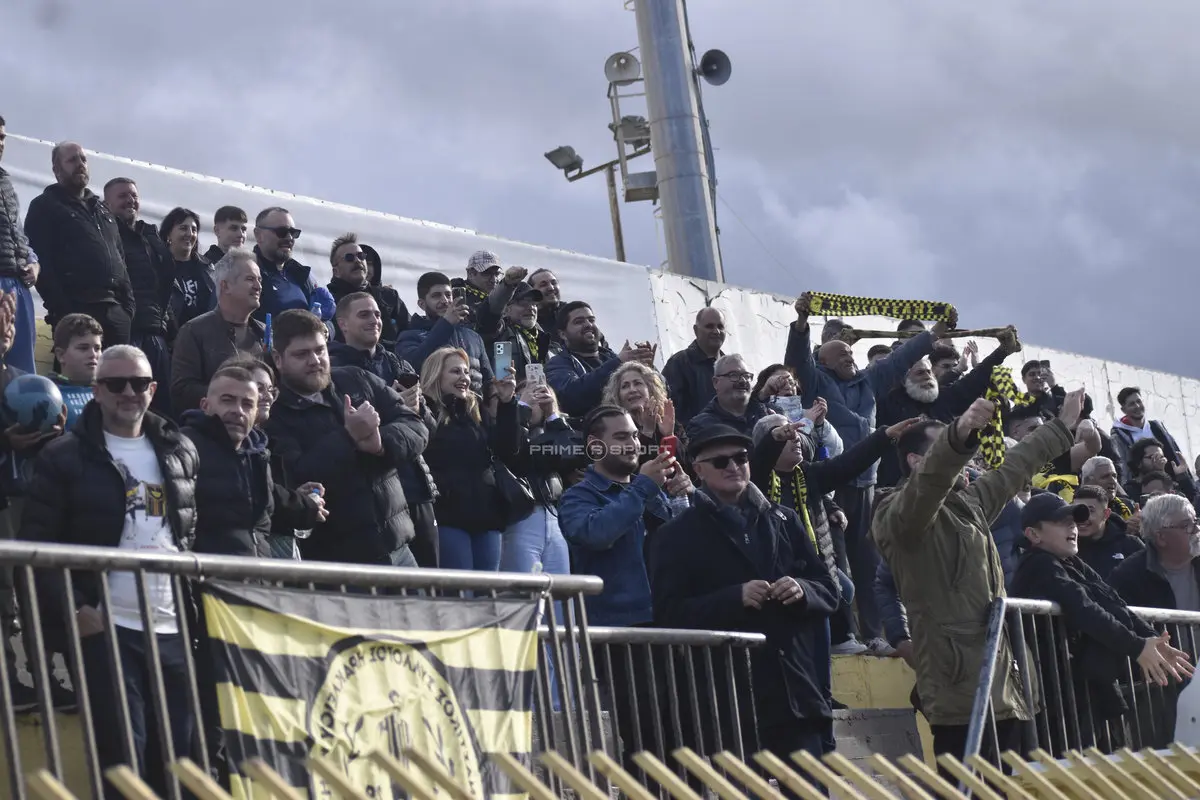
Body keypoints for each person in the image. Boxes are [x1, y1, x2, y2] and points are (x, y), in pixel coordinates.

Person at [22, 344, 199, 795]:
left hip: (171, 625)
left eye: (138, 383)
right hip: (108, 626)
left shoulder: (179, 449)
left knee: (179, 761)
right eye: (116, 383)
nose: (128, 392)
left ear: (153, 389)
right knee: (123, 760)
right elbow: (36, 548)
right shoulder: (63, 456)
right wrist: (76, 610)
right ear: (97, 391)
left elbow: (186, 532)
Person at [872, 389, 1083, 760]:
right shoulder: (897, 515)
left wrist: (1061, 426)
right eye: (945, 447)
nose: (964, 454)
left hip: (1001, 683)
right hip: (957, 689)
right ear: (916, 461)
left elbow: (1014, 467)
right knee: (967, 785)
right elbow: (929, 485)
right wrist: (958, 434)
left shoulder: (967, 503)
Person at [650, 424, 840, 762]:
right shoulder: (674, 535)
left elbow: (828, 589)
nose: (734, 467)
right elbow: (669, 614)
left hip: (793, 693)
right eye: (721, 461)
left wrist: (802, 589)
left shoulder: (784, 519)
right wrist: (732, 598)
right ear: (698, 470)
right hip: (727, 702)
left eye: (740, 458)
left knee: (810, 784)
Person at [785, 294, 944, 653]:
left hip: (867, 485)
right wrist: (801, 323)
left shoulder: (868, 382)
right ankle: (847, 636)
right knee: (838, 563)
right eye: (841, 354)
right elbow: (796, 358)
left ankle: (875, 633)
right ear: (823, 361)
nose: (849, 357)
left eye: (851, 354)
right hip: (834, 487)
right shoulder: (814, 381)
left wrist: (933, 334)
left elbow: (901, 358)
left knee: (869, 564)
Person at [1010, 492, 1192, 753]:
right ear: (1033, 534)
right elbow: (1085, 608)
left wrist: (1151, 638)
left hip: (1078, 691)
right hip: (1053, 697)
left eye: (1073, 520)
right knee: (1068, 765)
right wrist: (1137, 646)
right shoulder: (1038, 565)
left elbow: (1111, 601)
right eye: (1061, 522)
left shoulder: (1071, 561)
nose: (1072, 526)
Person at [751, 413, 921, 662]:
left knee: (843, 589)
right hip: (776, 578)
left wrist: (884, 436)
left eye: (795, 432)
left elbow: (847, 464)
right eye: (785, 433)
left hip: (813, 574)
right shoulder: (755, 481)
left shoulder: (808, 475)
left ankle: (840, 641)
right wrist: (773, 440)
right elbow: (758, 462)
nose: (794, 437)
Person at [264, 310, 429, 567]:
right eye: (302, 354)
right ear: (278, 359)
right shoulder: (272, 413)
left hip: (398, 547)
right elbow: (296, 476)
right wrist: (348, 437)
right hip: (338, 561)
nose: (315, 360)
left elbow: (415, 426)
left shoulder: (356, 378)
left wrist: (380, 444)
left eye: (320, 350)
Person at [559, 406, 688, 627]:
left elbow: (683, 544)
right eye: (621, 437)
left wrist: (685, 496)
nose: (632, 444)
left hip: (665, 619)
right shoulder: (577, 497)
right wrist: (642, 488)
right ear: (595, 445)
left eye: (635, 436)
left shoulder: (651, 489)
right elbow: (596, 534)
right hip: (614, 628)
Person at [181, 365, 325, 557]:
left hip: (257, 572)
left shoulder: (257, 456)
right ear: (205, 405)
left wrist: (308, 506)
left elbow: (274, 506)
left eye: (247, 404)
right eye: (227, 400)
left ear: (256, 412)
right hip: (205, 573)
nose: (238, 411)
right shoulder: (183, 450)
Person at [419, 346, 522, 571]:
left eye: (466, 372)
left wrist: (507, 402)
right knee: (460, 590)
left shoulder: (476, 410)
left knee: (488, 589)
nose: (464, 378)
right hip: (448, 517)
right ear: (436, 375)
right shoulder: (425, 409)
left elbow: (507, 451)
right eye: (455, 371)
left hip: (486, 517)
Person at [25, 141, 135, 345]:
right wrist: (64, 311)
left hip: (116, 315)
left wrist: (127, 309)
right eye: (72, 160)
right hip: (76, 312)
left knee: (117, 366)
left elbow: (120, 259)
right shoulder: (45, 206)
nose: (80, 164)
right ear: (57, 170)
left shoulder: (103, 211)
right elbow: (41, 262)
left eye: (83, 159)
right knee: (78, 366)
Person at [104, 181, 174, 415]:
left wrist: (167, 324)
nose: (130, 200)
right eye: (122, 196)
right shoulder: (105, 234)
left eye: (134, 195)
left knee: (161, 409)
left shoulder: (151, 237)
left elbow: (164, 284)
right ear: (107, 203)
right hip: (126, 333)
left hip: (156, 333)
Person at [170, 248, 266, 413]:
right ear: (225, 286)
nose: (258, 286)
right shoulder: (194, 332)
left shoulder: (265, 333)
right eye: (250, 279)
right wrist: (232, 395)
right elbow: (181, 390)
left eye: (259, 280)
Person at [546, 302, 653, 420]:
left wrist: (648, 371)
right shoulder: (557, 363)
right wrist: (617, 363)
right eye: (579, 322)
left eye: (591, 320)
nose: (588, 324)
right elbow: (570, 397)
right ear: (563, 334)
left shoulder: (611, 357)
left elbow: (661, 392)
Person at [397, 271, 494, 398]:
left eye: (448, 295)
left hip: (474, 408)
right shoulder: (409, 337)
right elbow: (414, 367)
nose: (445, 301)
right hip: (434, 408)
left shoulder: (473, 337)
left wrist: (501, 389)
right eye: (436, 296)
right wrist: (445, 324)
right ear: (422, 304)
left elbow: (488, 382)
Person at [1109, 493, 1200, 613]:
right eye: (1186, 525)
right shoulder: (1128, 576)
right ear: (1161, 537)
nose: (1197, 529)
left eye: (1195, 521)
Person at [0, 116, 40, 374]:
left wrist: (34, 262)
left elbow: (18, 235)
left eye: (2, 137)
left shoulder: (6, 183)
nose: (0, 143)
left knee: (22, 375)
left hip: (18, 288)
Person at [326, 233, 408, 344]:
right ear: (336, 271)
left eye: (361, 256)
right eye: (349, 258)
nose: (357, 260)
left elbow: (409, 333)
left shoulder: (389, 297)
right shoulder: (327, 302)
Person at [686, 354, 779, 441]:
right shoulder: (702, 426)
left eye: (746, 376)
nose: (743, 381)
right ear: (716, 382)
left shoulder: (768, 415)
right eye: (733, 375)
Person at [661, 308, 726, 427]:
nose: (716, 331)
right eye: (709, 326)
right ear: (696, 330)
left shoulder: (731, 367)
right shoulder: (678, 363)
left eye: (720, 327)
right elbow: (670, 409)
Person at [251, 207, 316, 323]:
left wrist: (325, 325)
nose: (289, 238)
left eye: (293, 233)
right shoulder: (247, 273)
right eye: (281, 232)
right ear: (258, 235)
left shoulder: (301, 274)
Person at [1110, 386, 1186, 484]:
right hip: (1143, 486)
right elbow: (1123, 467)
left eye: (1139, 401)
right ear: (1123, 409)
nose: (1137, 406)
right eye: (1132, 404)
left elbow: (1174, 454)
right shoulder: (1119, 436)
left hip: (1170, 482)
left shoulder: (1157, 427)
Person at [1072, 485, 1144, 581]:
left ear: (1106, 514)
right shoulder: (1067, 548)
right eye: (1077, 511)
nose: (1082, 518)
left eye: (1090, 511)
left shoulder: (1130, 545)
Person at [163, 206, 215, 338]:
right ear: (168, 234)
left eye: (194, 230)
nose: (190, 234)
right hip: (172, 339)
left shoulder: (207, 267)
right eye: (183, 228)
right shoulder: (158, 265)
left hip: (204, 338)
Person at [485, 281, 551, 381]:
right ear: (505, 309)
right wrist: (508, 282)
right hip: (508, 389)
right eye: (523, 304)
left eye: (534, 304)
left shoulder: (544, 340)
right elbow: (490, 311)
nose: (531, 308)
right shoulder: (498, 332)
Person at [48, 313, 103, 430]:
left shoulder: (111, 392)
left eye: (97, 348)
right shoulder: (47, 394)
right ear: (61, 355)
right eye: (83, 348)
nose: (93, 354)